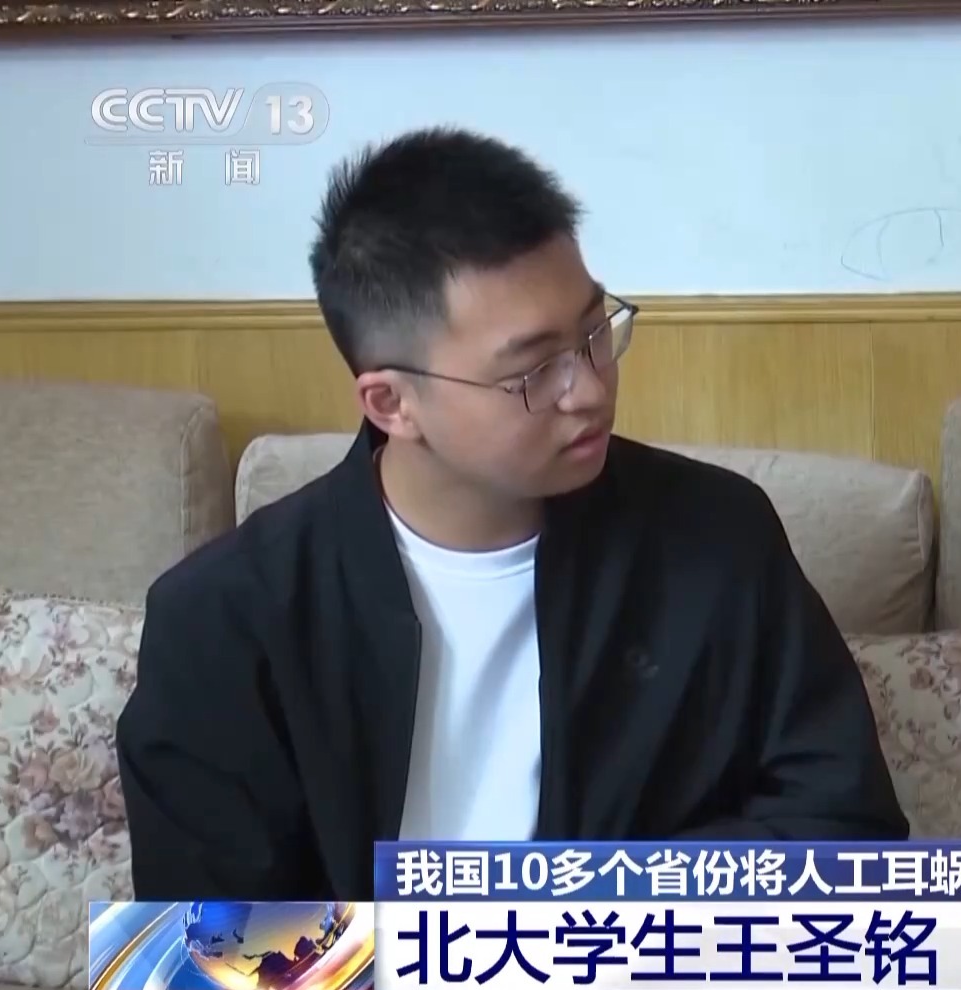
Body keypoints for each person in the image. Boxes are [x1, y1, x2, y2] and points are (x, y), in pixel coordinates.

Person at [117, 127, 908, 900]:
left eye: (596, 332)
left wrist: (575, 922)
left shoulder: (716, 537)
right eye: (533, 371)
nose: (589, 388)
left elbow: (847, 832)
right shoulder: (226, 619)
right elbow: (204, 951)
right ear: (392, 403)